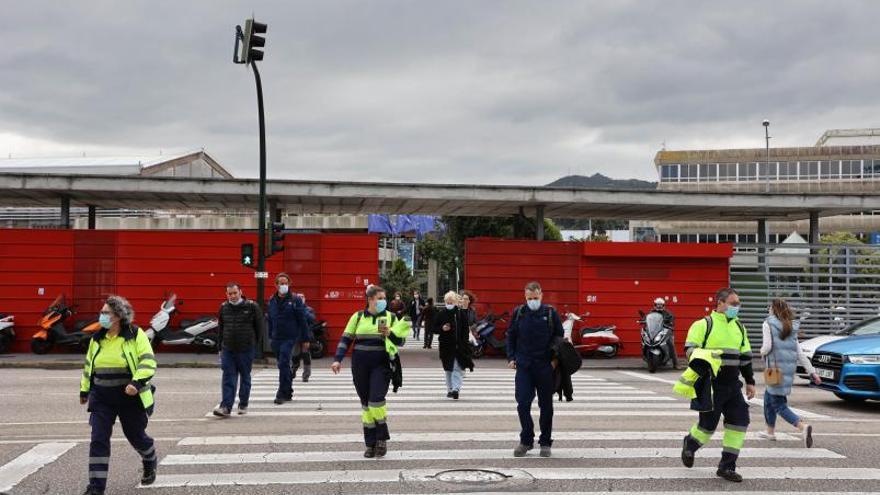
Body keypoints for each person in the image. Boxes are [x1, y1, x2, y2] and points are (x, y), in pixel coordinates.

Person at [79, 296, 157, 495]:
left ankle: (149, 458)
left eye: (106, 313)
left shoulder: (135, 334)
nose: (102, 316)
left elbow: (148, 362)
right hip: (102, 397)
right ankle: (95, 488)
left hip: (129, 397)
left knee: (136, 436)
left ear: (118, 316)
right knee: (98, 440)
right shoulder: (97, 338)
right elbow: (89, 366)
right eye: (102, 312)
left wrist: (136, 383)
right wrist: (84, 390)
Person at [680, 287, 756, 483]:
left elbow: (745, 358)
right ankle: (690, 443)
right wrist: (705, 358)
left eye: (738, 304)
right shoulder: (704, 324)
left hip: (733, 386)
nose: (736, 307)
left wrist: (750, 382)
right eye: (733, 303)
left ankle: (727, 467)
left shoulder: (739, 327)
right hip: (710, 385)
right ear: (720, 303)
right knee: (707, 426)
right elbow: (689, 350)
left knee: (739, 422)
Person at [331, 285, 411, 458]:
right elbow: (346, 338)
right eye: (379, 298)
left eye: (384, 298)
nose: (383, 301)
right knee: (366, 405)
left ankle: (381, 438)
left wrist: (390, 333)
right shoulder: (358, 317)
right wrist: (338, 359)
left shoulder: (390, 317)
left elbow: (401, 341)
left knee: (376, 400)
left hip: (381, 365)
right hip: (359, 365)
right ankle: (370, 443)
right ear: (370, 299)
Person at [507, 281, 563, 458]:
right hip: (524, 366)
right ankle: (526, 440)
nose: (532, 301)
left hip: (545, 366)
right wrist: (511, 357)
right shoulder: (519, 313)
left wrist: (554, 360)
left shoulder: (550, 313)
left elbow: (559, 337)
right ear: (525, 297)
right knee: (523, 403)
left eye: (535, 297)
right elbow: (511, 336)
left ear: (541, 295)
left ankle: (545, 442)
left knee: (546, 406)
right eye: (529, 298)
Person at [759, 298, 821, 447]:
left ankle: (802, 427)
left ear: (773, 309)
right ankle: (770, 432)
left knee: (778, 404)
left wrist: (761, 352)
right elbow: (799, 353)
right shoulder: (790, 325)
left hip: (774, 371)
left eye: (769, 307)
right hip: (787, 371)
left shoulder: (768, 323)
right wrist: (812, 372)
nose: (768, 310)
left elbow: (766, 347)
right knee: (768, 398)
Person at [214, 282, 264, 417]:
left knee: (245, 377)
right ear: (226, 294)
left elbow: (259, 328)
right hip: (228, 349)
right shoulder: (223, 308)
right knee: (228, 377)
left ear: (240, 292)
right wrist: (220, 347)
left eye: (235, 293)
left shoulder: (252, 306)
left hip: (246, 349)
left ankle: (243, 403)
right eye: (230, 294)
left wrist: (254, 345)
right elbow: (221, 329)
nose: (232, 296)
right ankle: (226, 407)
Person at [267, 272, 310, 405]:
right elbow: (270, 319)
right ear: (276, 285)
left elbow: (302, 320)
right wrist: (270, 336)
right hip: (276, 338)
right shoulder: (272, 300)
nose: (283, 285)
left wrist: (305, 339)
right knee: (283, 366)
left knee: (283, 363)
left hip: (289, 337)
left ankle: (281, 393)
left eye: (286, 283)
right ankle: (288, 391)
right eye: (281, 283)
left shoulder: (295, 300)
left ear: (289, 284)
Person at [434, 291, 475, 399]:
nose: (449, 304)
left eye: (451, 302)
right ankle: (450, 389)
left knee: (457, 367)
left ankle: (456, 389)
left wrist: (464, 342)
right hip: (445, 346)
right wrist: (442, 328)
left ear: (456, 302)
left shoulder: (460, 314)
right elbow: (434, 328)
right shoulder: (441, 314)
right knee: (448, 369)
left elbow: (465, 330)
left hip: (458, 346)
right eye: (447, 302)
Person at [650, 297, 680, 369]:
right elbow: (647, 318)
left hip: (666, 332)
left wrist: (670, 324)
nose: (659, 306)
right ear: (655, 305)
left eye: (661, 305)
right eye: (658, 305)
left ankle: (676, 364)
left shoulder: (668, 313)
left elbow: (672, 321)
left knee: (671, 345)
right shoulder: (652, 312)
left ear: (663, 305)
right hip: (655, 332)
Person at [292, 297, 315, 383]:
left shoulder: (309, 309)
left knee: (306, 356)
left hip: (306, 336)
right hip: (295, 336)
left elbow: (312, 319)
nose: (301, 299)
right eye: (299, 298)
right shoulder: (293, 309)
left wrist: (302, 311)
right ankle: (293, 371)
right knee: (295, 356)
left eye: (302, 297)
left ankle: (306, 376)